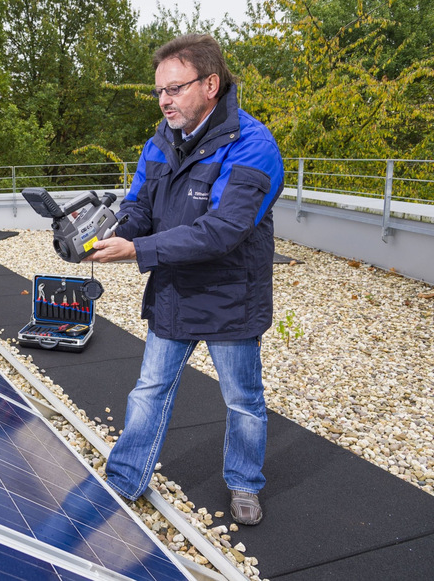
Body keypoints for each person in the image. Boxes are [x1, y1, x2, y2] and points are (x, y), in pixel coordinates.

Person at [85, 33, 284, 525]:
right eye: (158, 92)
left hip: (229, 297)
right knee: (149, 389)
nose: (164, 101)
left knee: (242, 401)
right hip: (174, 292)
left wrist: (138, 249)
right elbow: (139, 208)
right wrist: (99, 231)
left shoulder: (254, 146)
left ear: (210, 84)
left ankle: (243, 483)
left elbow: (224, 231)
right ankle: (125, 479)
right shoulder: (160, 140)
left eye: (174, 89)